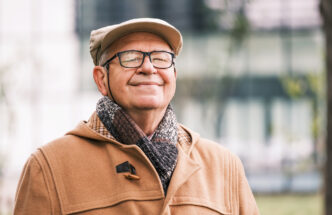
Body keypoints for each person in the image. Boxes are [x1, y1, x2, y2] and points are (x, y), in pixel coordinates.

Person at [13, 18, 259, 215]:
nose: (149, 68)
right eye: (130, 57)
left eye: (161, 58)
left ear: (173, 74)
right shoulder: (49, 168)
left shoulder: (223, 166)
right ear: (101, 79)